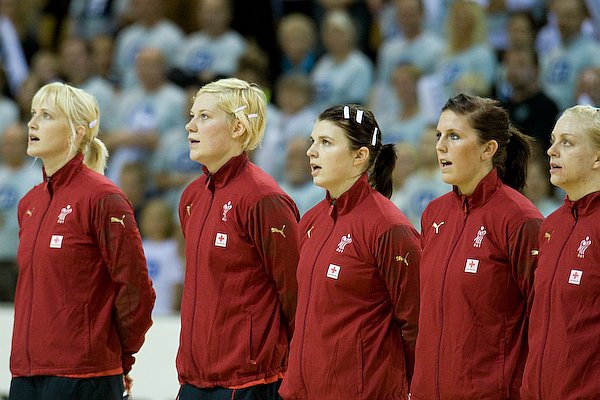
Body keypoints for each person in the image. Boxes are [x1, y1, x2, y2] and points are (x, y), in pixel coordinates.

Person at [9, 82, 155, 400]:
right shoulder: (29, 204)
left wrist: (119, 356)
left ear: (76, 132)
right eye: (33, 114)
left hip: (85, 376)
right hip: (26, 375)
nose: (32, 123)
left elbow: (136, 290)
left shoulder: (104, 198)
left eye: (46, 116)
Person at [279, 104, 421, 399]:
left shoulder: (389, 228)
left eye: (326, 143)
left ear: (360, 157)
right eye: (313, 141)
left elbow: (416, 323)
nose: (311, 152)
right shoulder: (310, 222)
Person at [410, 93, 543, 399]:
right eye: (439, 135)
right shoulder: (434, 214)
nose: (440, 146)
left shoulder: (520, 220)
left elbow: (543, 321)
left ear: (488, 149)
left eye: (454, 136)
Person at [177, 77, 300, 400]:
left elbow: (296, 295)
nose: (190, 126)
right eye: (192, 115)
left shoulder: (264, 199)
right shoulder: (191, 197)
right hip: (193, 379)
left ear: (238, 129)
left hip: (250, 382)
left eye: (204, 116)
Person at [521, 105, 600, 399]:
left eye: (567, 142)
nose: (552, 151)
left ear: (597, 157)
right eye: (554, 140)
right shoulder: (550, 225)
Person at [0, 123, 40, 302]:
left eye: (14, 143)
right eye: (6, 143)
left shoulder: (37, 178)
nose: (9, 148)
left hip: (20, 264)